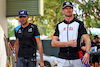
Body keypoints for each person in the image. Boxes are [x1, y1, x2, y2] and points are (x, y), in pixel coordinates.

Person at [51, 1, 91, 67]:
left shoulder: (79, 23)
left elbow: (87, 40)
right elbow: (53, 43)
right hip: (62, 58)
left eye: (70, 8)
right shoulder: (59, 25)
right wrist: (68, 43)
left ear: (72, 10)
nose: (68, 10)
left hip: (77, 58)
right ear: (63, 11)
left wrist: (87, 53)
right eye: (66, 8)